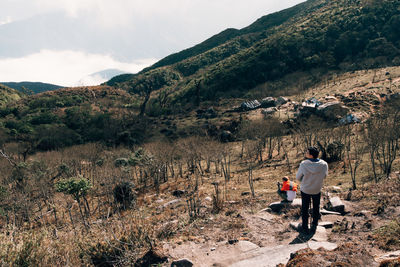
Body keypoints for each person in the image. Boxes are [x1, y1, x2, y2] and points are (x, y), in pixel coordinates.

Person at [296, 147, 328, 234]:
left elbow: (298, 177)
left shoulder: (303, 164)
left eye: (307, 152)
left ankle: (305, 226)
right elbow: (325, 176)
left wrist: (305, 179)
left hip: (305, 189)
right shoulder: (324, 164)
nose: (305, 153)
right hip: (317, 189)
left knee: (305, 207)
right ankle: (314, 224)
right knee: (316, 206)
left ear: (310, 155)